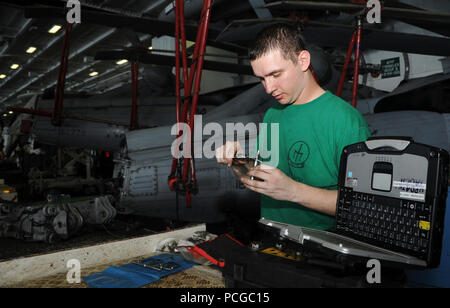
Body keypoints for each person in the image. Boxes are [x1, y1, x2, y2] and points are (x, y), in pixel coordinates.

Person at [216, 23, 371, 230]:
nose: (269, 88)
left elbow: (361, 206)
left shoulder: (345, 121)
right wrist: (236, 162)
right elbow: (258, 179)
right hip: (274, 238)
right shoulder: (273, 115)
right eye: (262, 79)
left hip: (322, 250)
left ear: (303, 60)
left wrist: (292, 191)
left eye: (276, 75)